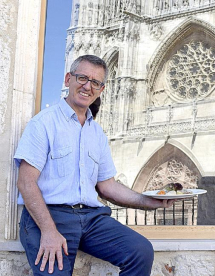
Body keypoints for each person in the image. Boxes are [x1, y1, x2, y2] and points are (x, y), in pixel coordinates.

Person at [15, 55, 175, 276]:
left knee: (140, 251)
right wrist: (48, 230)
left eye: (96, 82)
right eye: (82, 78)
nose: (87, 86)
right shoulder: (43, 123)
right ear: (68, 79)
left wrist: (149, 201)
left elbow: (107, 186)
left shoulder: (97, 133)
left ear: (101, 89)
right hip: (50, 216)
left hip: (91, 220)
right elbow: (25, 182)